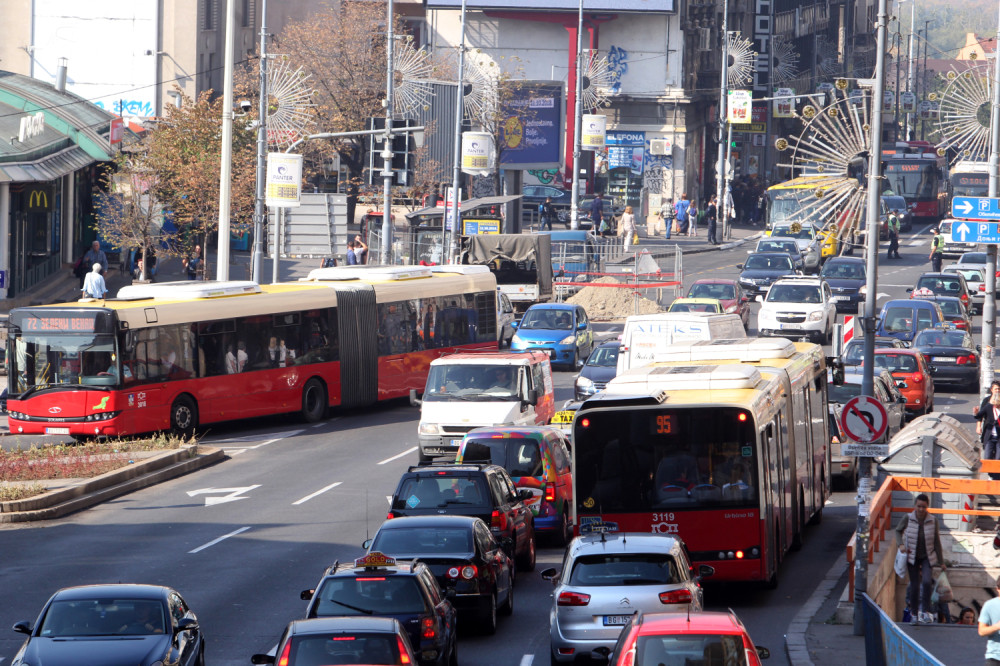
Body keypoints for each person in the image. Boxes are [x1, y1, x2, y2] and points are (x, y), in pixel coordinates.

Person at [896, 493, 945, 625]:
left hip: (927, 557)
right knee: (915, 585)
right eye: (919, 506)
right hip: (912, 557)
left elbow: (936, 541)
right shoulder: (908, 518)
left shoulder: (933, 520)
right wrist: (900, 544)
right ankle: (914, 614)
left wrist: (941, 561)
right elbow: (898, 530)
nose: (921, 509)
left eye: (924, 507)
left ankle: (926, 612)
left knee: (927, 582)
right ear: (915, 506)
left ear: (927, 507)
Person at [975, 381, 1000, 479]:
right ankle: (991, 474)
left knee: (998, 458)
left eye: (999, 389)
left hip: (999, 436)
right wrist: (978, 426)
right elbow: (980, 416)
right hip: (989, 433)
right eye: (995, 389)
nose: (997, 391)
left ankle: (996, 476)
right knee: (987, 457)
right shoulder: (987, 403)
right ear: (991, 390)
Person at [980, 575, 1000, 664]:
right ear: (997, 589)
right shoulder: (989, 605)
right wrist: (996, 626)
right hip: (995, 657)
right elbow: (981, 631)